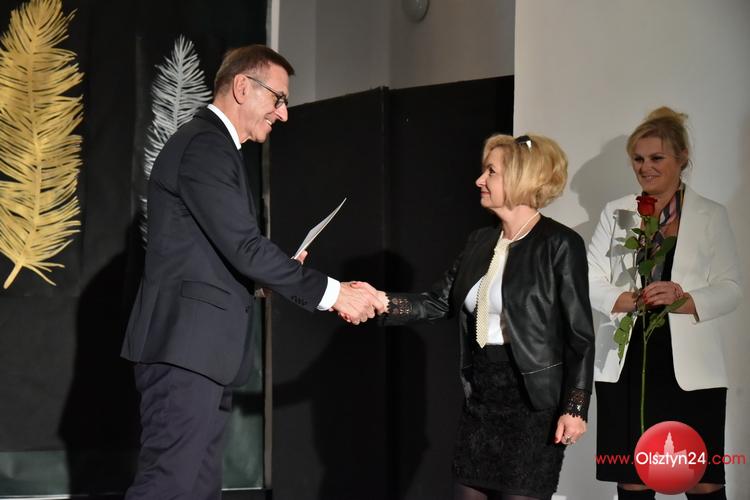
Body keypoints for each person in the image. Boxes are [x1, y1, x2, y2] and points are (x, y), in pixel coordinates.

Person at [120, 45, 385, 500]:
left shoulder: (216, 148)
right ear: (243, 87)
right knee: (169, 489)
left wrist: (264, 282)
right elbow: (244, 247)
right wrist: (335, 294)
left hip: (201, 355)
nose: (283, 114)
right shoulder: (205, 146)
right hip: (185, 353)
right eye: (278, 98)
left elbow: (215, 254)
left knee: (196, 491)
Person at [374, 133, 595, 500]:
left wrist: (575, 407)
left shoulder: (559, 244)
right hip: (481, 400)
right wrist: (379, 302)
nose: (479, 180)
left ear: (521, 177)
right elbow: (438, 302)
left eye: (491, 171)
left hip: (532, 405)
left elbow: (580, 336)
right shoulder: (480, 241)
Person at [588, 107, 742, 500]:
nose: (645, 167)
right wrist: (626, 299)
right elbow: (589, 279)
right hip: (627, 364)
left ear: (682, 157)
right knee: (633, 478)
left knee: (703, 480)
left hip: (691, 371)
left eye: (656, 157)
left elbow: (731, 289)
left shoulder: (711, 215)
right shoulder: (616, 211)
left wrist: (683, 299)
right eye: (638, 159)